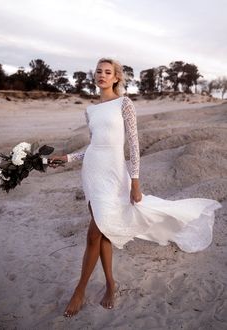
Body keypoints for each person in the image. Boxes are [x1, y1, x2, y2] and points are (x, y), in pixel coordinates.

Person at [48, 58, 222, 318]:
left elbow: (133, 145)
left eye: (108, 72)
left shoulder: (125, 104)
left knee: (94, 234)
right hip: (93, 174)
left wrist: (136, 181)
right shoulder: (91, 110)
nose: (102, 75)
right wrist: (68, 158)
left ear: (117, 77)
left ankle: (80, 289)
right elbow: (94, 146)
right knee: (103, 232)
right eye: (98, 71)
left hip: (116, 175)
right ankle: (110, 284)